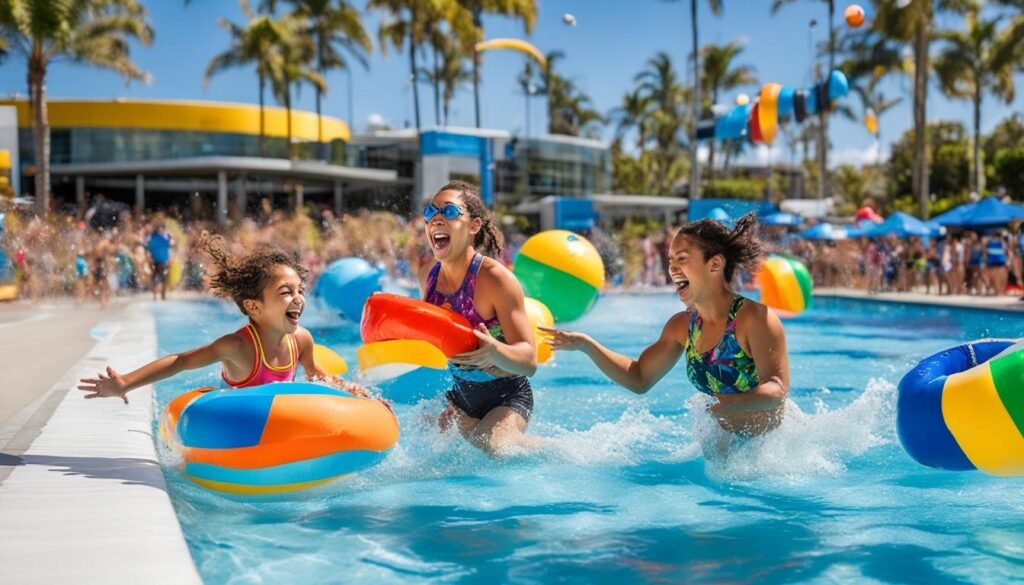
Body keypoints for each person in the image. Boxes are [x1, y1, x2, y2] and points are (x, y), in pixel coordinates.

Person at [542, 213, 789, 443]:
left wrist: (726, 405)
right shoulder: (682, 326)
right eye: (670, 260)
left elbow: (776, 389)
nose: (672, 269)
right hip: (722, 450)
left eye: (682, 259)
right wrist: (587, 345)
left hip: (766, 451)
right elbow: (639, 378)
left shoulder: (754, 318)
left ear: (714, 264)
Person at [78, 235, 367, 403]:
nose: (298, 298)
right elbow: (181, 361)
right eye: (286, 292)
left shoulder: (301, 340)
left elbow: (316, 375)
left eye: (300, 290)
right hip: (238, 414)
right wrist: (124, 383)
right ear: (254, 307)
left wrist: (349, 391)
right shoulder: (237, 347)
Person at [417, 181, 540, 456]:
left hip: (508, 394)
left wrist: (494, 351)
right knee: (422, 436)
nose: (436, 218)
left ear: (474, 226)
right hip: (462, 396)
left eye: (449, 212)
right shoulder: (428, 277)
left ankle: (561, 454)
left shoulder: (495, 279)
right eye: (430, 212)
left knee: (494, 447)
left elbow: (530, 361)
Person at [146, 221, 174, 301]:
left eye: (161, 228)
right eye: (158, 228)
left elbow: (171, 248)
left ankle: (163, 295)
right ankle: (154, 295)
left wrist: (170, 259)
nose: (160, 230)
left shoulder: (167, 236)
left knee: (163, 278)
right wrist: (149, 259)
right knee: (154, 278)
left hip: (163, 260)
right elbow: (147, 248)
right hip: (154, 260)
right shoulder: (151, 236)